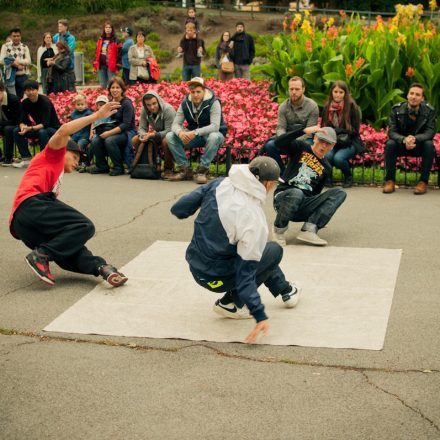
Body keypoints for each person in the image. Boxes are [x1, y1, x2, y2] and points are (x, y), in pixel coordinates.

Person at [171, 156, 300, 344]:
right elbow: (246, 274)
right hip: (218, 280)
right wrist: (259, 314)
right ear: (268, 184)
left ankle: (285, 289)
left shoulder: (219, 184)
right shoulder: (253, 218)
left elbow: (179, 209)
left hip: (195, 267)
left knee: (253, 248)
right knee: (271, 250)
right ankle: (231, 303)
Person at [9, 100, 128, 288]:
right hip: (31, 205)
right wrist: (97, 116)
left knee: (68, 252)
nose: (77, 162)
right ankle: (41, 255)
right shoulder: (53, 154)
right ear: (64, 150)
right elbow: (63, 130)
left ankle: (103, 268)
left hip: (25, 227)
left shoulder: (54, 179)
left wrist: (99, 266)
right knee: (84, 226)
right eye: (75, 157)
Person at [272, 126, 347, 246]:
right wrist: (302, 131)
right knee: (297, 193)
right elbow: (278, 143)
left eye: (328, 144)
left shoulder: (327, 168)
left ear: (332, 146)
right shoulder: (301, 148)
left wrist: (321, 214)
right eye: (321, 141)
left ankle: (308, 230)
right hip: (284, 198)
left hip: (303, 203)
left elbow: (315, 193)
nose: (323, 146)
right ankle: (278, 230)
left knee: (340, 192)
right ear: (315, 138)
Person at [166, 77, 227, 184]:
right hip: (194, 136)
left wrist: (195, 132)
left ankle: (202, 171)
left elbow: (215, 126)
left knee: (214, 136)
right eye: (192, 92)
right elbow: (175, 124)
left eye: (198, 92)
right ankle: (185, 170)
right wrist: (180, 133)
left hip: (213, 136)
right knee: (170, 136)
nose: (195, 95)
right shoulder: (185, 103)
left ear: (204, 91)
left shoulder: (214, 102)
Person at [383, 83, 436, 195]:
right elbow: (392, 131)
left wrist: (414, 139)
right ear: (407, 95)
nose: (413, 96)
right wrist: (404, 139)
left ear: (422, 98)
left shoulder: (429, 111)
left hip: (419, 145)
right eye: (411, 93)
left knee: (429, 145)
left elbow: (430, 131)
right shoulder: (396, 110)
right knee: (390, 144)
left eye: (417, 94)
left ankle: (423, 182)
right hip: (401, 144)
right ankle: (389, 181)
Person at [264, 76, 319, 172]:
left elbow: (309, 132)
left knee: (307, 146)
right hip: (287, 138)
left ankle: (297, 173)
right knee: (270, 145)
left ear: (303, 89)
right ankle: (282, 173)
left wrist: (293, 142)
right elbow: (280, 127)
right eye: (291, 89)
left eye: (297, 89)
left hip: (305, 139)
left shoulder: (312, 106)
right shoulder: (283, 107)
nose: (294, 92)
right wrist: (284, 139)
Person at [321, 80, 364, 188]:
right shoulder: (327, 107)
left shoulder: (352, 107)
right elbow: (323, 127)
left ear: (345, 94)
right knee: (328, 156)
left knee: (338, 158)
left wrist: (339, 131)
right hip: (332, 141)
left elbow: (355, 130)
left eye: (341, 92)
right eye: (335, 92)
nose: (338, 95)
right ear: (332, 92)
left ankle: (348, 176)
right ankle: (328, 177)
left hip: (349, 141)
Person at [89, 77, 135, 176]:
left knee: (109, 140)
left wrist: (108, 133)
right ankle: (102, 166)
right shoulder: (110, 103)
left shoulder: (127, 103)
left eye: (117, 87)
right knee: (96, 140)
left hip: (125, 132)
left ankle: (118, 167)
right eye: (112, 87)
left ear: (122, 89)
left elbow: (126, 125)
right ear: (109, 89)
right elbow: (102, 117)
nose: (115, 90)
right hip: (112, 129)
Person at [13, 80, 61, 169]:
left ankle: (43, 160)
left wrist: (30, 128)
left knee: (43, 132)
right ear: (24, 92)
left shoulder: (45, 101)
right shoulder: (25, 102)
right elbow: (22, 119)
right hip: (38, 128)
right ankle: (26, 158)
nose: (30, 92)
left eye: (33, 90)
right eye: (28, 90)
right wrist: (22, 127)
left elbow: (45, 124)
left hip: (52, 129)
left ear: (37, 90)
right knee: (16, 131)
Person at [131, 91, 176, 179]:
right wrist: (143, 135)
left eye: (154, 103)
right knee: (135, 140)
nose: (152, 107)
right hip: (156, 135)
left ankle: (168, 168)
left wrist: (152, 135)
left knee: (166, 141)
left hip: (171, 135)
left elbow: (169, 130)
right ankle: (146, 165)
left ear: (158, 101)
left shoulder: (168, 109)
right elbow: (142, 127)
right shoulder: (145, 110)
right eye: (148, 105)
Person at [0, 28, 31, 99]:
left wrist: (16, 61)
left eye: (18, 36)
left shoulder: (24, 47)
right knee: (11, 98)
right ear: (11, 36)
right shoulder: (5, 46)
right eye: (14, 36)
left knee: (20, 97)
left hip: (22, 76)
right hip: (9, 76)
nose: (16, 38)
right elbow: (1, 60)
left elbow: (28, 61)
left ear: (20, 36)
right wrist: (14, 64)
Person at [93, 21, 120, 89]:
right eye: (106, 27)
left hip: (111, 66)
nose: (108, 29)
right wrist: (95, 66)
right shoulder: (100, 39)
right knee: (103, 85)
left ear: (112, 29)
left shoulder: (116, 40)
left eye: (109, 27)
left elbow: (119, 55)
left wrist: (118, 67)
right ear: (104, 29)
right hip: (101, 65)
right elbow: (97, 53)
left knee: (112, 85)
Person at [0, 80, 21, 166]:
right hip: (2, 124)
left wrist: (1, 124)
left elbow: (17, 120)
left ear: (2, 90)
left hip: (16, 124)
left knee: (8, 129)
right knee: (5, 128)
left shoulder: (13, 100)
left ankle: (8, 158)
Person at [70, 94, 93, 160]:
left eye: (82, 104)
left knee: (80, 145)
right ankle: (72, 160)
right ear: (75, 105)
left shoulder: (88, 113)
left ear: (85, 104)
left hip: (84, 136)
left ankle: (82, 160)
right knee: (69, 145)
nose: (80, 106)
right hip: (75, 135)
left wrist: (91, 134)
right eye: (78, 104)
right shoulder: (74, 113)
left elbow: (92, 123)